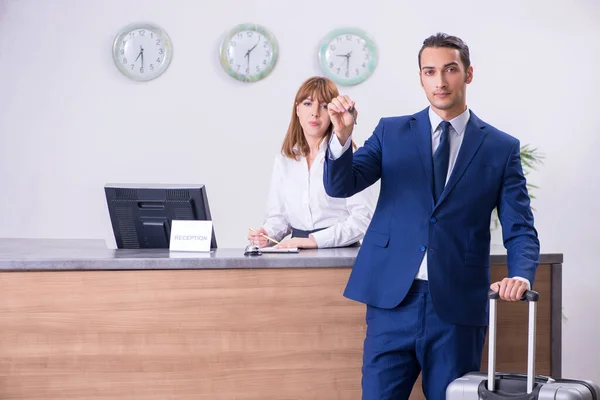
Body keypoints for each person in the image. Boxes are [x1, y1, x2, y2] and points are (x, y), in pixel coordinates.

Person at [323, 33, 540, 399]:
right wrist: (342, 138)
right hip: (392, 300)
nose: (440, 81)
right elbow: (342, 185)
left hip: (457, 308)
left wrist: (520, 274)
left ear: (468, 74)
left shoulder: (501, 148)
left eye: (450, 70)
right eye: (430, 71)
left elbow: (520, 228)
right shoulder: (391, 132)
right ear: (420, 77)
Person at [248, 76, 374, 249]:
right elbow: (279, 217)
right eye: (308, 103)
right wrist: (267, 234)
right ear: (297, 109)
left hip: (341, 253)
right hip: (297, 252)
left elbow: (362, 219)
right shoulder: (285, 160)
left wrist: (315, 240)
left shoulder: (348, 155)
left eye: (323, 106)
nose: (315, 112)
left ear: (333, 113)